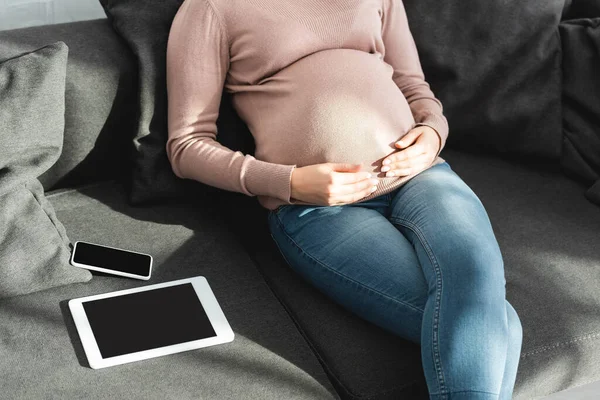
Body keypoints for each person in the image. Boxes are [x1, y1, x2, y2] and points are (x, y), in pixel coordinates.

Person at [165, 0, 523, 398]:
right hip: (321, 211)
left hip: (421, 175)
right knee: (498, 321)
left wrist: (433, 132)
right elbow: (186, 146)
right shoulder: (210, 9)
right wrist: (291, 181)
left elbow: (413, 86)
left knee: (475, 278)